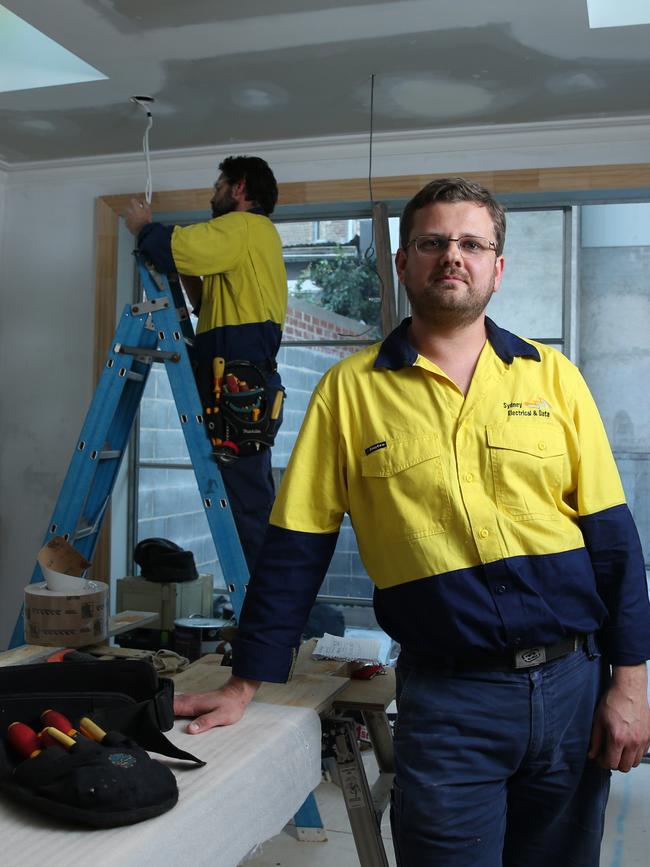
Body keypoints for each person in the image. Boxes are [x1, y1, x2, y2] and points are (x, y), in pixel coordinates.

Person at [173, 177, 650, 866]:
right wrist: (246, 681)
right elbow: (296, 550)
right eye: (432, 242)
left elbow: (615, 547)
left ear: (497, 265)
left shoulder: (555, 378)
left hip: (575, 685)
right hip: (452, 702)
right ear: (402, 262)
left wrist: (630, 686)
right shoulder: (350, 391)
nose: (451, 256)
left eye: (471, 243)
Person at [125, 156, 288, 572]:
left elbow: (176, 246)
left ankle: (268, 608)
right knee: (249, 492)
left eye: (219, 184)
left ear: (238, 188)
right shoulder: (251, 238)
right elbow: (201, 296)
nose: (211, 192)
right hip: (240, 370)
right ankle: (270, 604)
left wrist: (144, 227)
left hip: (238, 372)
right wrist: (182, 267)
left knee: (247, 500)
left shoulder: (242, 227)